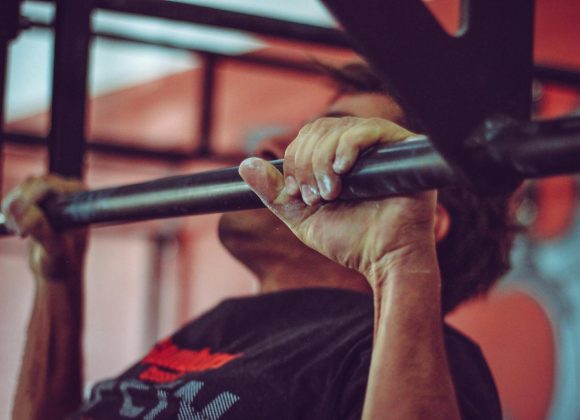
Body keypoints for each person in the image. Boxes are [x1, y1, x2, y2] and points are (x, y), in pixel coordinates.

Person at [2, 62, 516, 419]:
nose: (273, 147)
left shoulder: (430, 360)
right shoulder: (222, 326)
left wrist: (402, 261)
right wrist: (60, 283)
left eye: (327, 140)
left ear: (425, 219)